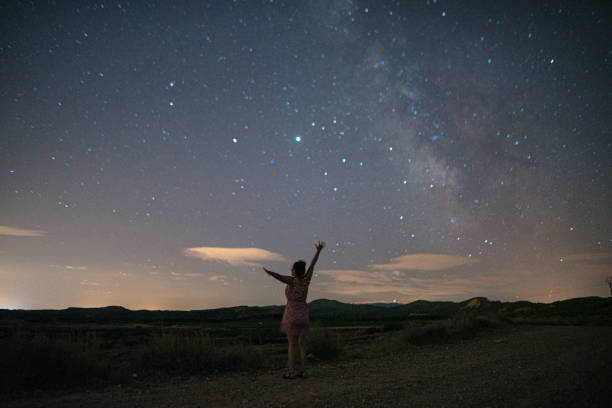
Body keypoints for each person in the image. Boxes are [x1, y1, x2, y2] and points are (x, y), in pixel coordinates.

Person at [263, 241, 325, 379]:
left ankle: (290, 371)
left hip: (291, 314)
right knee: (302, 344)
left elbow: (278, 276)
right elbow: (313, 264)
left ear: (295, 272)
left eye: (292, 269)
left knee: (292, 344)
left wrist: (269, 272)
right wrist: (318, 251)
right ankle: (303, 370)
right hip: (303, 314)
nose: (290, 270)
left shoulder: (293, 280)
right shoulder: (306, 279)